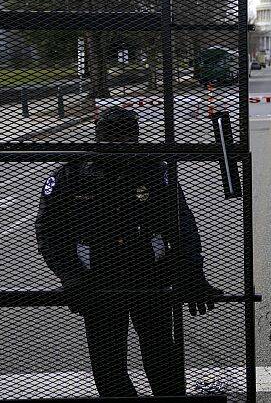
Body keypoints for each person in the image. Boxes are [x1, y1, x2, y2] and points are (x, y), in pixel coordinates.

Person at [35, 106, 222, 397]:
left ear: (135, 137)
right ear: (99, 136)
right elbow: (49, 231)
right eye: (113, 136)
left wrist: (192, 273)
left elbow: (181, 223)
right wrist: (70, 276)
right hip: (96, 280)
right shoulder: (74, 174)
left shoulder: (152, 169)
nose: (120, 144)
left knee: (160, 357)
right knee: (110, 366)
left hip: (149, 274)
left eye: (125, 137)